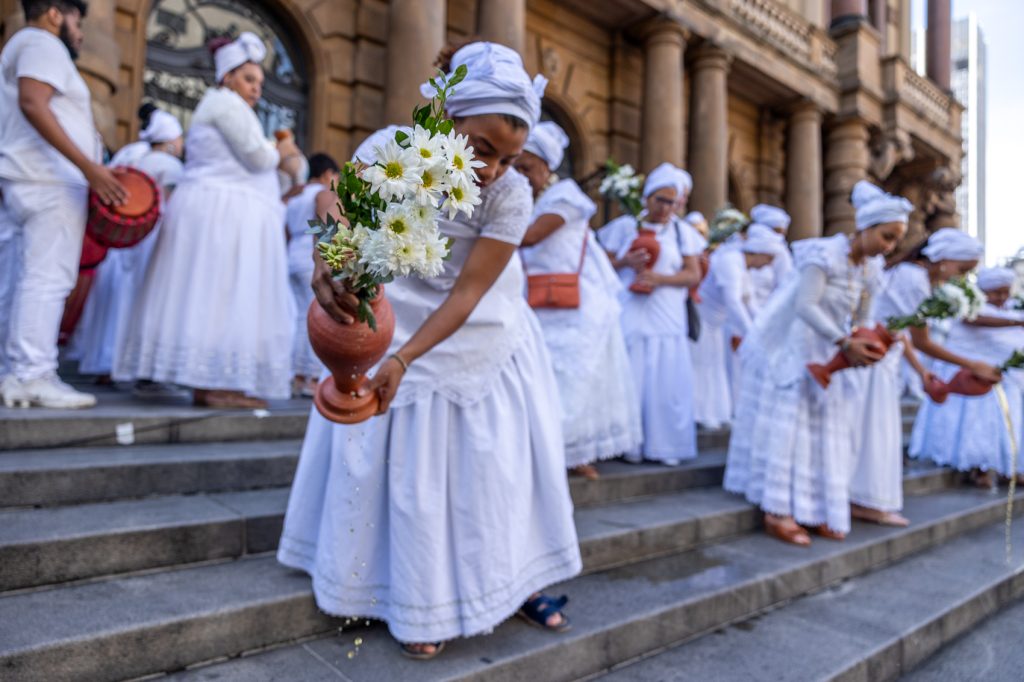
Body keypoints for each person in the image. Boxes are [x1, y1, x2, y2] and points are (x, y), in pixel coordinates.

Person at [277, 42, 580, 660]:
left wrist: (404, 358)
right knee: (386, 462)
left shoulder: (510, 194)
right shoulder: (393, 149)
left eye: (510, 157)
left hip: (475, 330)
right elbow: (331, 201)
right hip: (394, 304)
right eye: (483, 150)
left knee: (481, 473)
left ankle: (487, 584)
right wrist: (330, 257)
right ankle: (391, 584)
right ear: (444, 120)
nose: (493, 168)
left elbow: (469, 294)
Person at [114, 32, 298, 408]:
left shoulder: (227, 106)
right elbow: (259, 159)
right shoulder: (226, 105)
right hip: (220, 214)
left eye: (260, 83)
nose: (256, 90)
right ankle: (212, 381)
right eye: (249, 79)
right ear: (227, 76)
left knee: (216, 295)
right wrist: (280, 148)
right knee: (219, 294)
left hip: (221, 209)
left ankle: (215, 378)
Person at [723, 182, 908, 546]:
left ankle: (816, 508)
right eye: (886, 237)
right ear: (865, 228)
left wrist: (871, 340)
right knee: (790, 428)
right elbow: (805, 306)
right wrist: (845, 341)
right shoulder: (822, 255)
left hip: (832, 354)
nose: (889, 247)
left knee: (826, 431)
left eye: (894, 241)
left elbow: (864, 317)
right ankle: (778, 510)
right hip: (799, 348)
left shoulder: (870, 271)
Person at [0, 0, 128, 408]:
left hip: (28, 177)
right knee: (47, 279)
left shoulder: (21, 44)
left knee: (19, 278)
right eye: (77, 19)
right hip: (49, 180)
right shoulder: (43, 43)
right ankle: (33, 374)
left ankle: (14, 372)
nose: (81, 31)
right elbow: (33, 102)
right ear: (55, 13)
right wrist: (91, 168)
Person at [514, 121, 642, 480]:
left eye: (527, 168)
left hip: (576, 309)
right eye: (515, 166)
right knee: (543, 380)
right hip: (539, 301)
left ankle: (570, 454)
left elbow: (529, 237)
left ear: (547, 169)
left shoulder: (566, 198)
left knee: (572, 384)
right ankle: (548, 451)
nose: (520, 175)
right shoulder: (533, 198)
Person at [850, 222, 985, 526]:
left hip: (885, 357)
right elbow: (920, 338)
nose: (960, 278)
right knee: (875, 432)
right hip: (875, 360)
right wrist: (972, 364)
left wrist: (922, 371)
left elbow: (902, 333)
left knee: (877, 432)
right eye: (962, 269)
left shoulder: (913, 276)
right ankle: (865, 501)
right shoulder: (913, 279)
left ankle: (865, 499)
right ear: (944, 260)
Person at [598, 162, 704, 465]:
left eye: (672, 201)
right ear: (647, 198)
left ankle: (664, 445)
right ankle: (626, 442)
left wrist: (660, 280)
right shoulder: (623, 227)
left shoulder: (684, 234)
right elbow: (599, 261)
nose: (666, 207)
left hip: (667, 315)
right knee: (629, 371)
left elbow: (692, 275)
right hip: (630, 310)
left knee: (665, 378)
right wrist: (625, 262)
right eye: (661, 200)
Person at [68, 106, 185, 380]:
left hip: (126, 240)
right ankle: (132, 365)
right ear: (170, 140)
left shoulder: (134, 157)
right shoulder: (169, 166)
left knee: (116, 298)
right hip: (152, 237)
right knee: (140, 298)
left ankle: (105, 361)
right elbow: (171, 205)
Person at [909, 266, 1020, 487]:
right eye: (996, 292)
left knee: (1006, 427)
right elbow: (973, 319)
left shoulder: (1011, 310)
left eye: (1005, 292)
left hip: (1002, 377)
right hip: (970, 375)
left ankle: (1008, 469)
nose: (1002, 297)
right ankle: (978, 468)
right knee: (978, 426)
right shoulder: (971, 307)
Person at [691, 224, 784, 429]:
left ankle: (713, 413)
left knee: (714, 367)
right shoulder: (730, 261)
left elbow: (749, 302)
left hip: (717, 323)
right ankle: (698, 413)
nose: (767, 266)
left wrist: (762, 330)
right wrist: (752, 334)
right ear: (759, 252)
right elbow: (733, 301)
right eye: (768, 259)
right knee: (702, 366)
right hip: (704, 320)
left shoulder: (743, 266)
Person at [284, 152, 339, 397]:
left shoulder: (295, 197)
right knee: (317, 316)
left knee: (298, 318)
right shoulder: (322, 194)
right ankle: (313, 376)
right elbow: (325, 221)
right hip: (308, 255)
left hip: (291, 256)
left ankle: (296, 375)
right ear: (327, 174)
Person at [746, 203, 793, 309]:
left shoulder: (781, 253)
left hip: (765, 309)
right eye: (777, 231)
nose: (780, 237)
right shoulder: (741, 248)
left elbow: (784, 285)